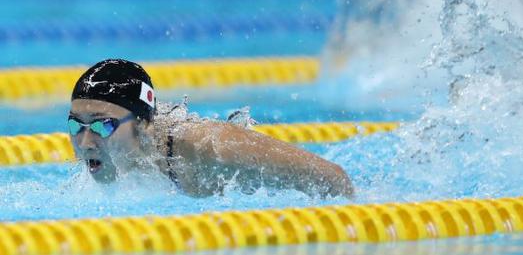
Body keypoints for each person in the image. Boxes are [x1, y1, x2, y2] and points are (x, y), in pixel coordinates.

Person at [69, 59, 354, 198]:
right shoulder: (122, 150)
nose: (84, 142)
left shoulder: (211, 149)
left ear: (143, 123)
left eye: (101, 125)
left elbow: (334, 179)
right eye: (76, 125)